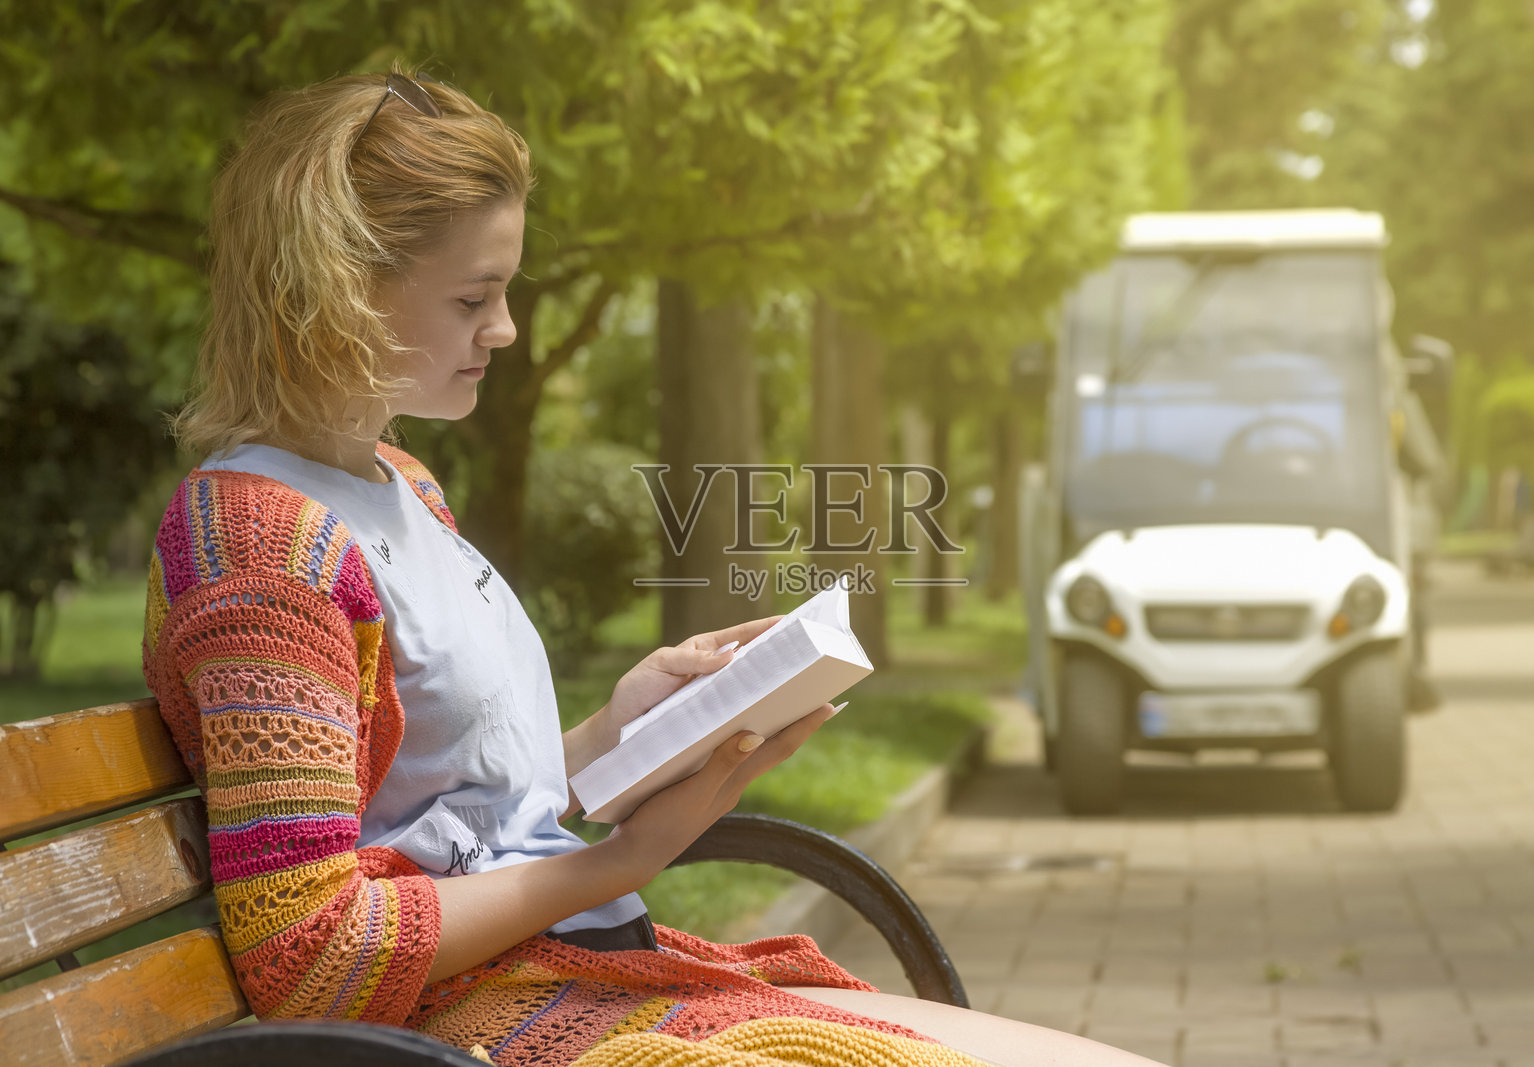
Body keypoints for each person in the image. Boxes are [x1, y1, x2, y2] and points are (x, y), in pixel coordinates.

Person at [142, 67, 1164, 1067]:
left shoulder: (398, 483)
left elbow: (446, 809)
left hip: (576, 979)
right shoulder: (260, 547)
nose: (502, 329)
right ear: (338, 293)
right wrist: (618, 859)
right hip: (489, 1016)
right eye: (473, 297)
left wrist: (623, 733)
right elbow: (310, 957)